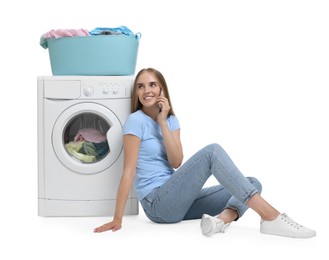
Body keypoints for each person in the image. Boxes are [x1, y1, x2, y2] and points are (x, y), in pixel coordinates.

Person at [94, 68, 316, 238]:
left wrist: (162, 122)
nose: (146, 91)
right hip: (157, 204)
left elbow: (176, 161)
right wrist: (117, 218)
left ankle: (222, 221)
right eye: (140, 87)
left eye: (152, 85)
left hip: (178, 199)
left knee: (251, 182)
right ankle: (270, 217)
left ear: (162, 89)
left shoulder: (171, 121)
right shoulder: (135, 121)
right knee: (212, 152)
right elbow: (129, 171)